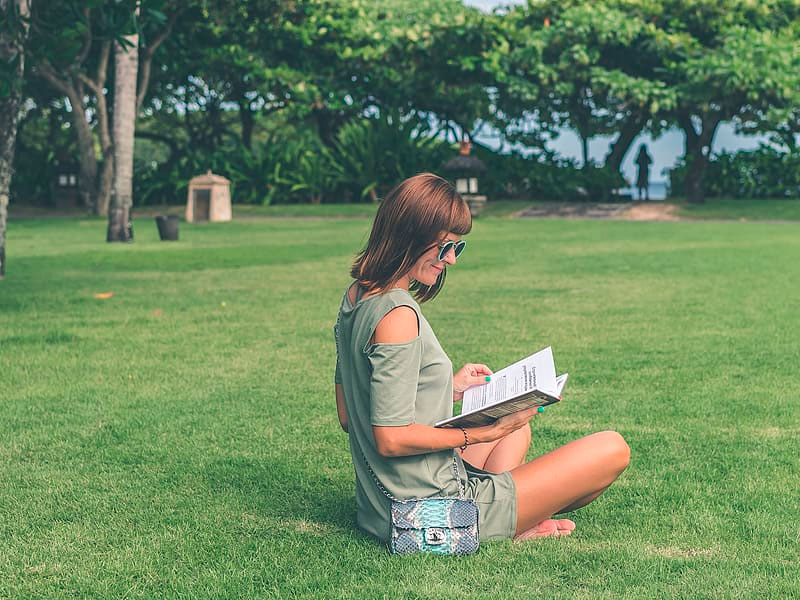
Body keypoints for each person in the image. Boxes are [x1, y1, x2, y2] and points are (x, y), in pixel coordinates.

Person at [333, 173, 629, 544]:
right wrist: (478, 433)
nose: (452, 260)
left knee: (517, 428)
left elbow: (351, 414)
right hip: (427, 515)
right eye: (444, 248)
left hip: (380, 508)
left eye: (459, 247)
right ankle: (504, 525)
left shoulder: (357, 297)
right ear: (410, 235)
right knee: (611, 449)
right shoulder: (398, 315)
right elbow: (390, 438)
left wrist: (447, 386)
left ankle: (508, 518)